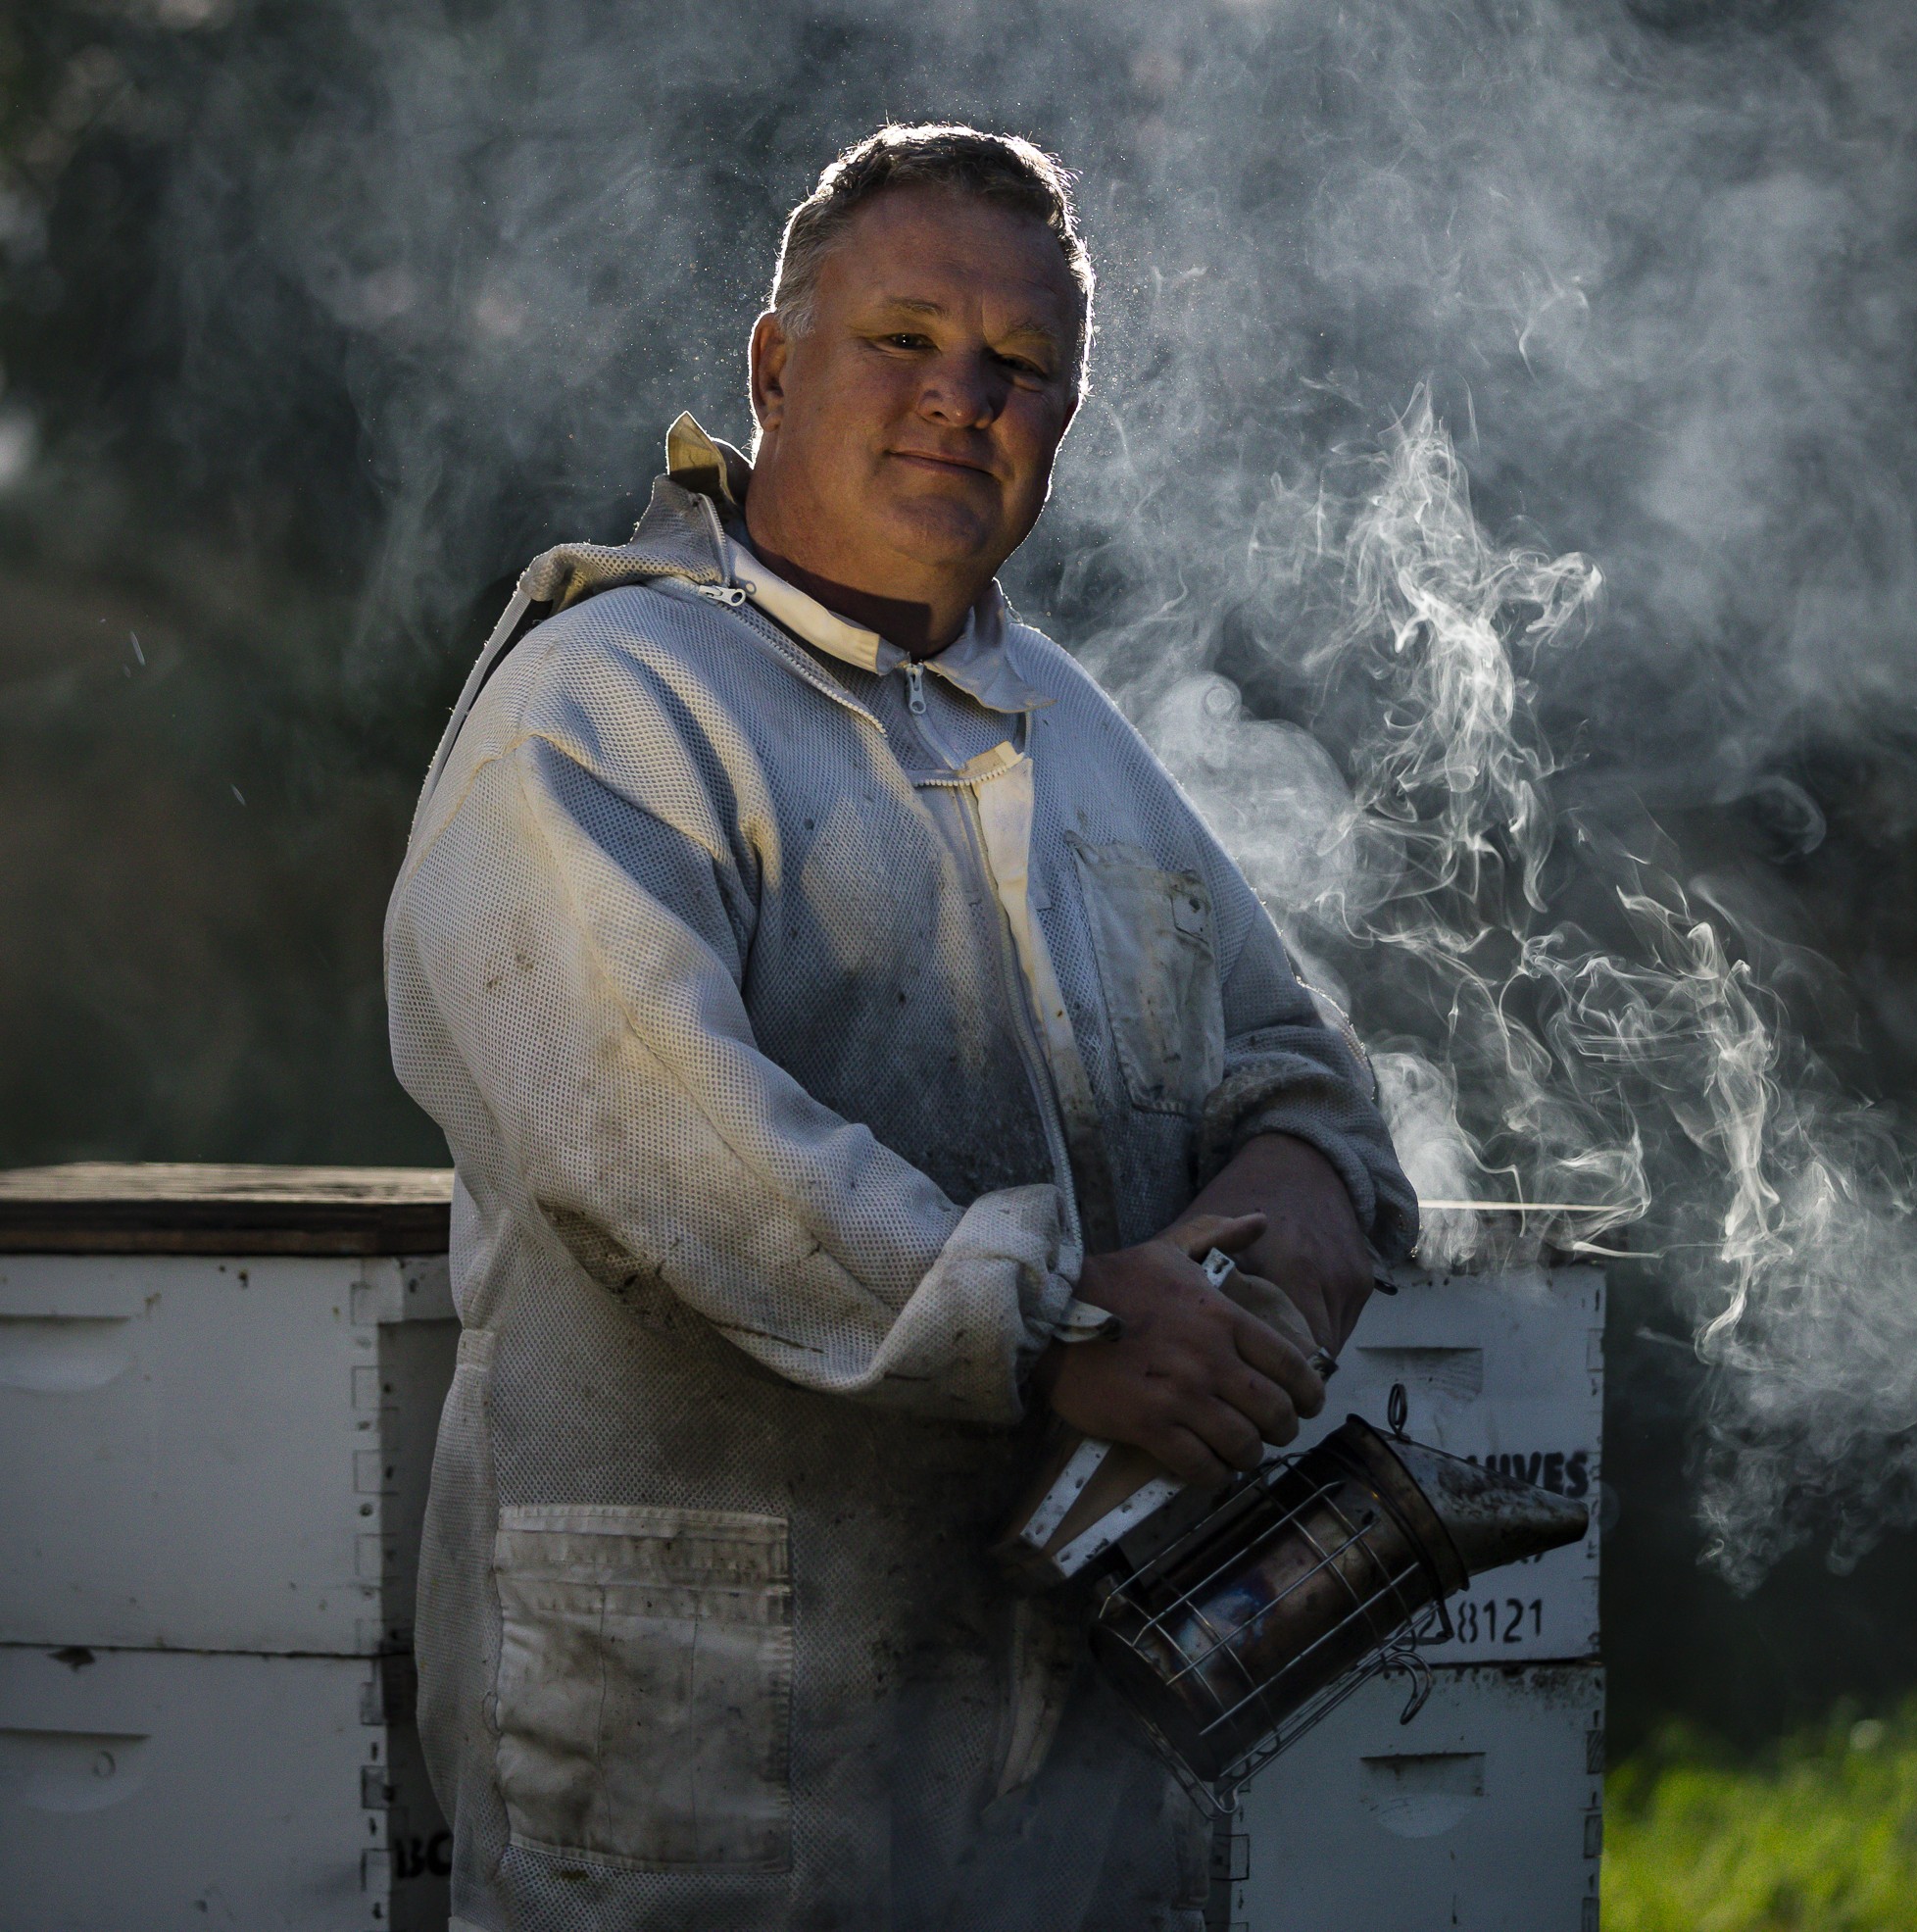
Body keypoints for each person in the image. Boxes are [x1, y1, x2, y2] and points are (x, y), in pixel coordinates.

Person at [386, 122, 1417, 1932]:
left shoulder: (1069, 727)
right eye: (906, 339)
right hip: (702, 1737)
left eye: (1021, 369)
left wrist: (1283, 1249)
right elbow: (661, 1138)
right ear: (774, 366)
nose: (964, 397)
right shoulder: (611, 703)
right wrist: (1066, 1318)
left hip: (1056, 1752)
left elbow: (1299, 1081)